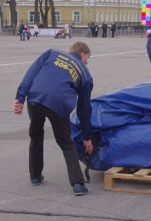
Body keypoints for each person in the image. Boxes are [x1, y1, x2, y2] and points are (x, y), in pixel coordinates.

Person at [13, 42, 94, 196]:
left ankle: (35, 176)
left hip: (35, 98)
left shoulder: (51, 53)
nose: (87, 63)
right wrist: (86, 137)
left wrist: (20, 97)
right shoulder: (85, 74)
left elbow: (31, 73)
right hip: (59, 104)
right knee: (65, 142)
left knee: (36, 136)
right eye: (87, 58)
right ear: (82, 53)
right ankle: (77, 184)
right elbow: (84, 109)